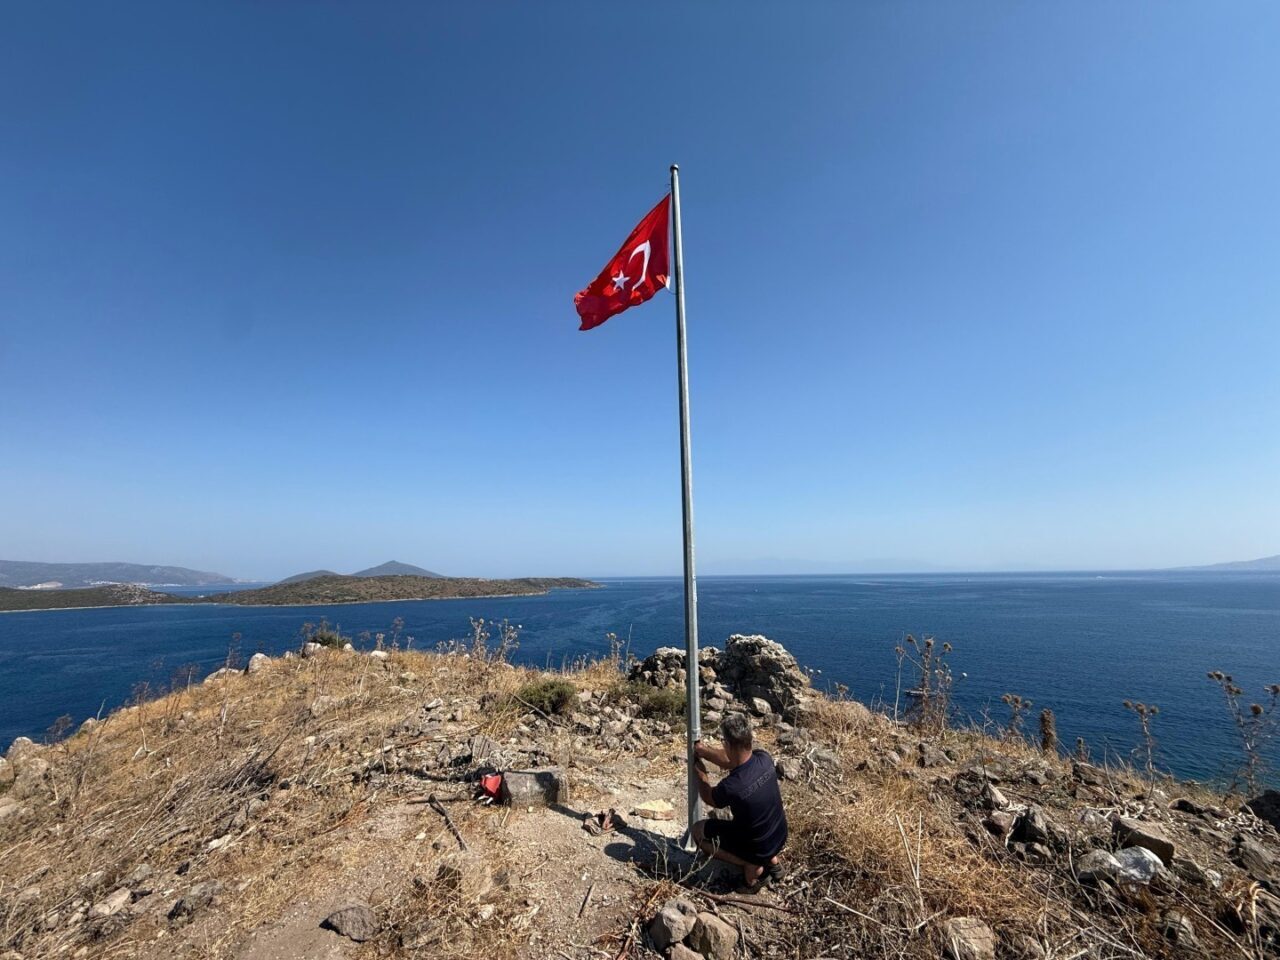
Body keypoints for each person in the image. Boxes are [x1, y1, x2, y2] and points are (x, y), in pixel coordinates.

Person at [692, 711, 788, 893]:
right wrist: (704, 751)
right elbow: (731, 761)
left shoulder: (732, 786)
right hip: (780, 835)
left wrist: (699, 770)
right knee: (759, 821)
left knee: (698, 831)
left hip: (757, 848)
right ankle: (773, 862)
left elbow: (708, 797)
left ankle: (752, 865)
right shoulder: (764, 759)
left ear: (727, 744)